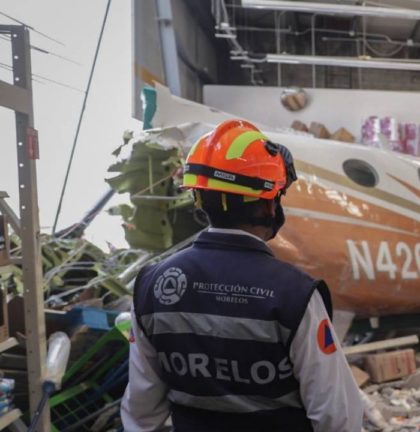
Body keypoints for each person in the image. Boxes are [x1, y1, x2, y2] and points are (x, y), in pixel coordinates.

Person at [121, 120, 363, 432]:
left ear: (199, 197)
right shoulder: (295, 295)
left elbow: (141, 413)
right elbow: (336, 417)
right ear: (266, 205)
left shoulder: (151, 286)